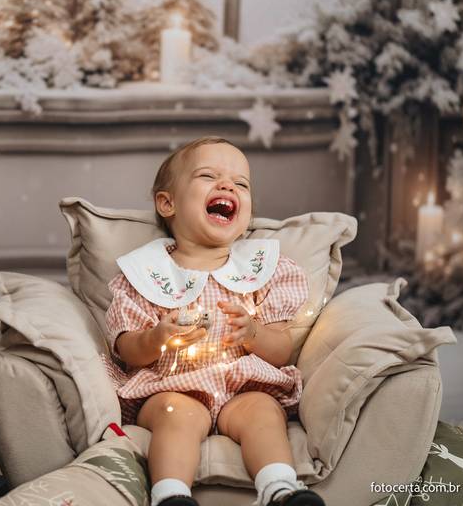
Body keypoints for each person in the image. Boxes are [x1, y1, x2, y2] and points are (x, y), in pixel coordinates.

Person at [104, 137, 325, 506]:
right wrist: (156, 337)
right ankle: (171, 496)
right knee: (177, 417)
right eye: (208, 176)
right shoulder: (147, 272)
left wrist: (254, 334)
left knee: (264, 412)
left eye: (241, 183)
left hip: (243, 386)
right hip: (172, 385)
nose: (227, 186)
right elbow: (126, 350)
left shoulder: (261, 269)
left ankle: (281, 490)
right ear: (167, 203)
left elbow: (281, 349)